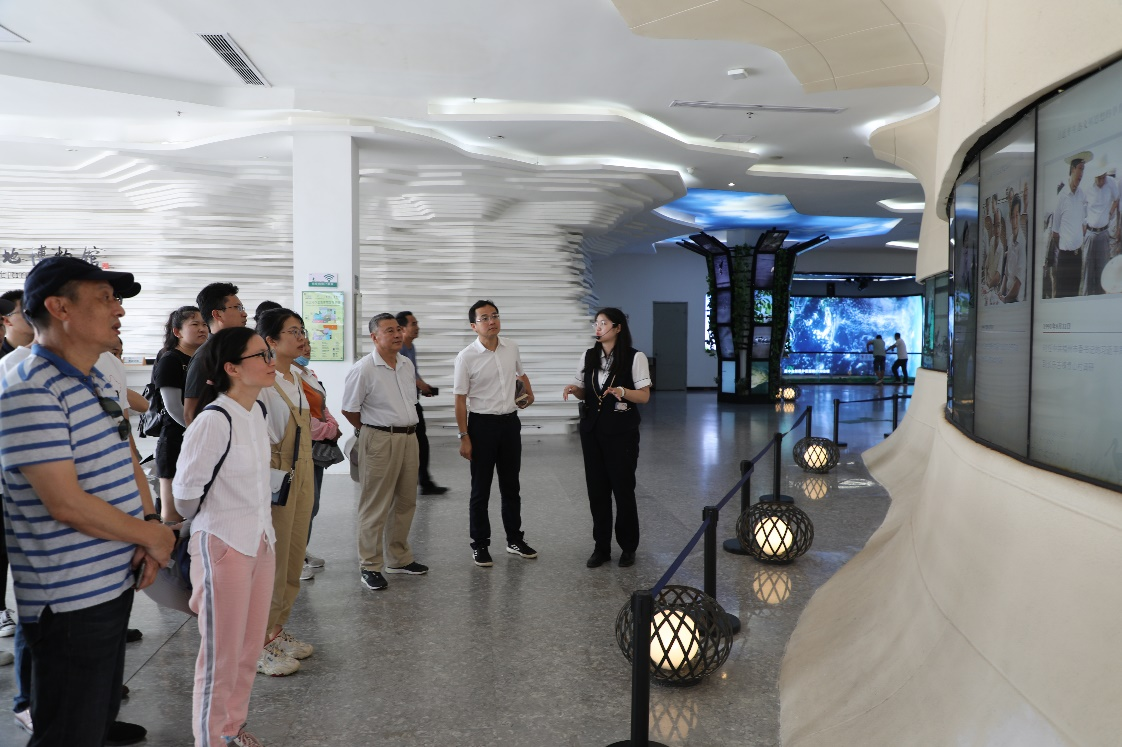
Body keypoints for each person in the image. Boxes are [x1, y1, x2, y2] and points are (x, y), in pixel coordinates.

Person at [0, 256, 175, 747]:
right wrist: (153, 536)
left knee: (94, 718)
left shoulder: (92, 378)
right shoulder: (30, 389)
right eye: (104, 298)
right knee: (68, 732)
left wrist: (147, 519)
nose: (119, 310)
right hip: (69, 598)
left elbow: (125, 456)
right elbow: (65, 504)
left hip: (112, 579)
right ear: (60, 308)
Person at [173, 327, 278, 747]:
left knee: (249, 648)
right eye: (261, 355)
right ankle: (211, 739)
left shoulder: (255, 412)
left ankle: (231, 727)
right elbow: (184, 496)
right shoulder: (213, 420)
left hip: (260, 540)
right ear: (232, 368)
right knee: (221, 655)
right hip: (223, 543)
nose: (271, 362)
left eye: (269, 353)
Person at [341, 313, 429, 591]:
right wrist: (370, 431)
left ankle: (399, 558)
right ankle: (369, 565)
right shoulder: (364, 369)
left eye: (398, 329)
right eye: (389, 330)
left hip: (409, 438)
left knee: (406, 501)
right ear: (374, 337)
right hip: (379, 438)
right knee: (375, 504)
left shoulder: (405, 364)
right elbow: (349, 409)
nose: (397, 334)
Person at [562, 308, 651, 568]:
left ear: (618, 327)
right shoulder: (589, 356)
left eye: (603, 323)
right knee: (597, 491)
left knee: (623, 490)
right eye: (596, 323)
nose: (598, 328)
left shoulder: (635, 357)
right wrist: (575, 390)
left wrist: (623, 391)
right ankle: (601, 547)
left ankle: (628, 547)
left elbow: (644, 396)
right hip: (592, 432)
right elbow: (585, 391)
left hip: (622, 433)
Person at [453, 300, 538, 567]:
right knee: (481, 490)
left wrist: (528, 394)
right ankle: (480, 544)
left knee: (511, 486)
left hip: (510, 424)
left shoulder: (511, 347)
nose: (492, 321)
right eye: (485, 318)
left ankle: (514, 539)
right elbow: (459, 400)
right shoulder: (466, 357)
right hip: (482, 427)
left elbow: (521, 375)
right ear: (473, 326)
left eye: (495, 316)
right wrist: (464, 436)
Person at [254, 309, 316, 674]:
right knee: (273, 561)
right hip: (277, 474)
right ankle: (257, 643)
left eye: (301, 330)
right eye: (293, 331)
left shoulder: (298, 376)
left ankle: (276, 630)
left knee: (294, 556)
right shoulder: (264, 381)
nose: (301, 336)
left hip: (303, 469)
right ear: (271, 341)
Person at [152, 306, 209, 523]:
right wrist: (198, 431)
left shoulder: (204, 359)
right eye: (195, 324)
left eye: (204, 324)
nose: (202, 329)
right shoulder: (171, 360)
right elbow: (174, 407)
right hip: (176, 440)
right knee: (173, 514)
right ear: (177, 332)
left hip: (199, 439)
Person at [293, 336, 339, 579]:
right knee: (300, 504)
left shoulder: (308, 373)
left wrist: (331, 424)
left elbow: (322, 406)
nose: (306, 348)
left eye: (308, 344)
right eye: (300, 344)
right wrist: (328, 430)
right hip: (301, 446)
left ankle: (300, 551)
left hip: (316, 445)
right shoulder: (285, 376)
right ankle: (292, 559)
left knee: (311, 504)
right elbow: (299, 417)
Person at [397, 310, 448, 495]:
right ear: (402, 328)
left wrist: (423, 387)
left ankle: (424, 481)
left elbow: (414, 373)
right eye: (413, 324)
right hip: (402, 405)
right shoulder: (399, 349)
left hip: (413, 401)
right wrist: (421, 385)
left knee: (421, 443)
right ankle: (417, 482)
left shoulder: (410, 347)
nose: (417, 327)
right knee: (415, 443)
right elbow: (404, 375)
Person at [184, 282, 248, 424]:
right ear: (217, 314)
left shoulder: (240, 349)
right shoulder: (205, 356)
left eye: (242, 308)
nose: (244, 314)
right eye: (237, 308)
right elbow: (190, 413)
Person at [1051, 152, 1090, 298]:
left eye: (1083, 169)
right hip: (1065, 258)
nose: (1081, 173)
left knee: (1074, 296)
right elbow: (1055, 233)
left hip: (1077, 257)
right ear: (1072, 169)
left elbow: (1083, 221)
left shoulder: (1082, 195)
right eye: (1080, 168)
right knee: (1062, 296)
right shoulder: (1061, 197)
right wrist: (1066, 247)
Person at [1081, 153, 1118, 295]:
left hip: (1104, 234)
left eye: (1103, 177)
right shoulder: (1087, 186)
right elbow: (1081, 206)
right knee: (1088, 272)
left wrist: (1110, 213)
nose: (1101, 181)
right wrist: (1083, 224)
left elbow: (1116, 199)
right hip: (1090, 234)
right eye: (1099, 178)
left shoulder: (1111, 183)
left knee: (1103, 272)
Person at [998, 192, 1026, 303]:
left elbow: (1018, 283)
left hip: (1015, 300)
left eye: (1017, 216)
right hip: (1007, 296)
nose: (1014, 221)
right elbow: (1006, 274)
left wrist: (1005, 299)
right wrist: (1000, 293)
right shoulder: (1010, 240)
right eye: (1012, 217)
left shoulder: (1022, 243)